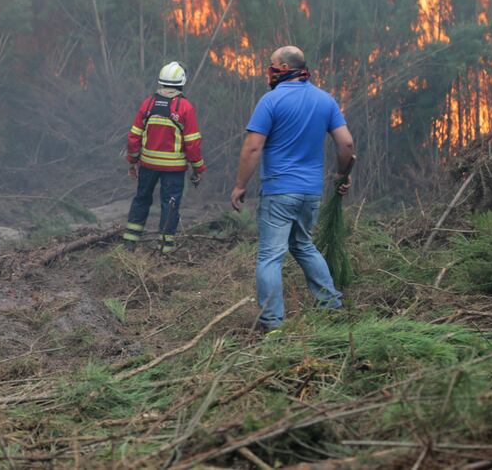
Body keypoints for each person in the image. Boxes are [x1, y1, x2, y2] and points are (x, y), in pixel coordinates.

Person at [230, 45, 354, 332]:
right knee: (303, 245)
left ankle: (272, 321)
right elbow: (346, 143)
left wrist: (239, 185)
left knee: (270, 256)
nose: (268, 72)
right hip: (311, 192)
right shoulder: (326, 100)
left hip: (279, 190)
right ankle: (330, 304)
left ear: (283, 68)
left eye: (271, 66)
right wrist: (341, 173)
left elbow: (252, 147)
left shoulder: (271, 101)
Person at [124, 62, 206, 254]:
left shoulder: (148, 104)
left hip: (147, 166)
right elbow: (192, 142)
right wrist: (198, 168)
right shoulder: (184, 107)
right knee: (170, 205)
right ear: (181, 83)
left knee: (141, 199)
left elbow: (134, 136)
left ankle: (129, 244)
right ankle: (164, 249)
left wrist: (132, 162)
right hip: (174, 169)